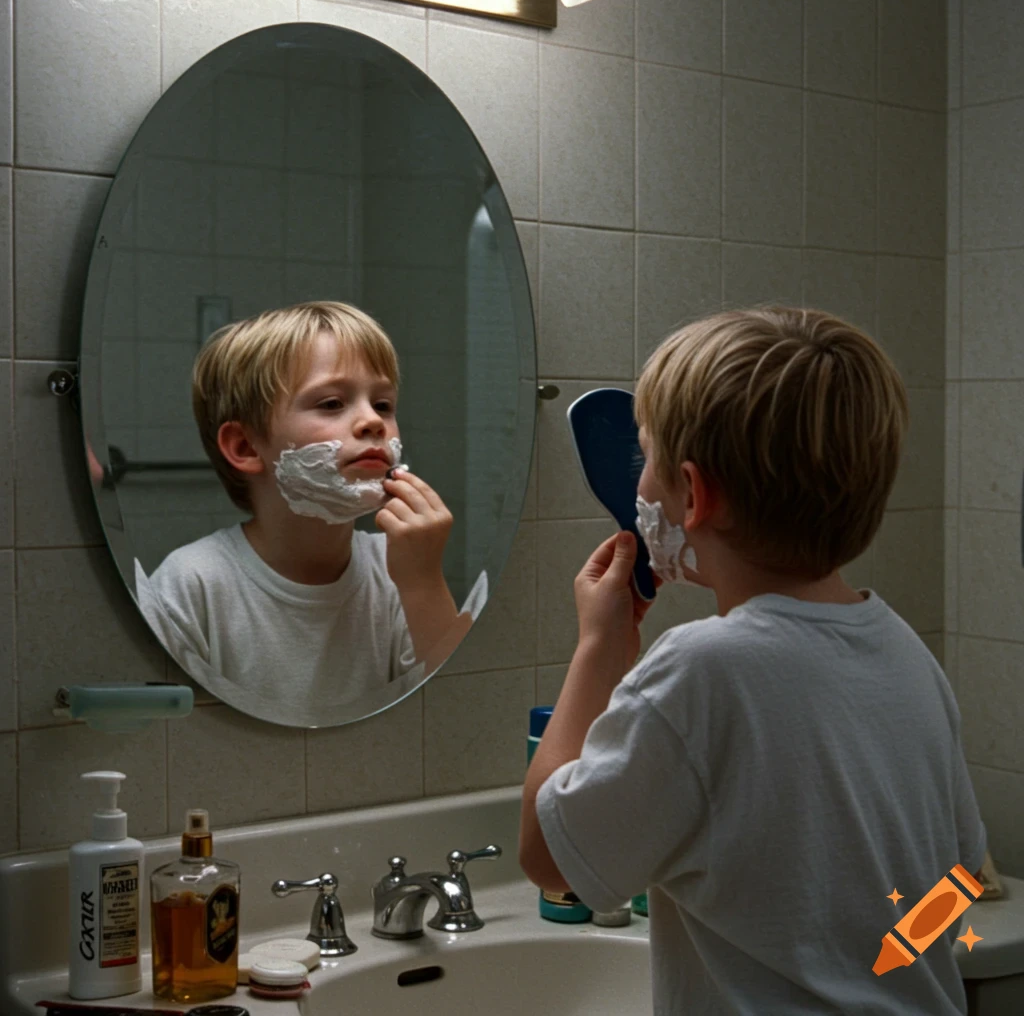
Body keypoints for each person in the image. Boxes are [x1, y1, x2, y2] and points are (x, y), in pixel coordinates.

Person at [519, 307, 986, 1015]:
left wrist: (599, 650)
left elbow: (554, 862)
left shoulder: (704, 669)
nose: (637, 486)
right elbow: (958, 877)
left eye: (645, 461)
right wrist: (868, 966)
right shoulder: (905, 653)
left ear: (695, 494)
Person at [139, 300, 471, 717]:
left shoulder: (398, 571)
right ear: (245, 447)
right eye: (332, 403)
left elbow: (456, 716)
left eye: (383, 404)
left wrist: (423, 581)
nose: (373, 422)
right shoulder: (193, 584)